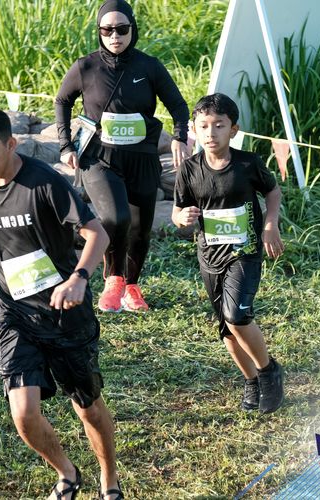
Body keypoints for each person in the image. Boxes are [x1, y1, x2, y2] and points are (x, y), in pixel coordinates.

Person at [0, 106, 123, 499]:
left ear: (11, 144)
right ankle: (67, 474)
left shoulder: (43, 183)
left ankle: (109, 480)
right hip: (14, 312)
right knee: (23, 412)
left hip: (65, 312)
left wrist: (78, 278)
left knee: (87, 406)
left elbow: (97, 233)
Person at [55, 0, 190, 313]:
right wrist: (65, 145)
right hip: (99, 157)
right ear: (99, 31)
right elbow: (62, 100)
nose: (114, 36)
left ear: (133, 29)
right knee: (116, 218)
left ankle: (131, 286)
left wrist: (180, 137)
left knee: (140, 228)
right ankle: (113, 279)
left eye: (121, 29)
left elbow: (178, 106)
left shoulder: (149, 67)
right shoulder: (86, 67)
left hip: (142, 158)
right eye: (107, 30)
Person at [171, 93, 285, 414]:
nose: (211, 133)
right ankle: (251, 380)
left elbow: (272, 191)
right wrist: (182, 218)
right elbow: (177, 211)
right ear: (195, 130)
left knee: (237, 316)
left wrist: (270, 226)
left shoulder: (248, 164)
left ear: (233, 130)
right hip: (210, 256)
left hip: (244, 251)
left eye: (219, 125)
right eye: (203, 126)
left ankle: (268, 371)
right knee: (226, 328)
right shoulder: (189, 169)